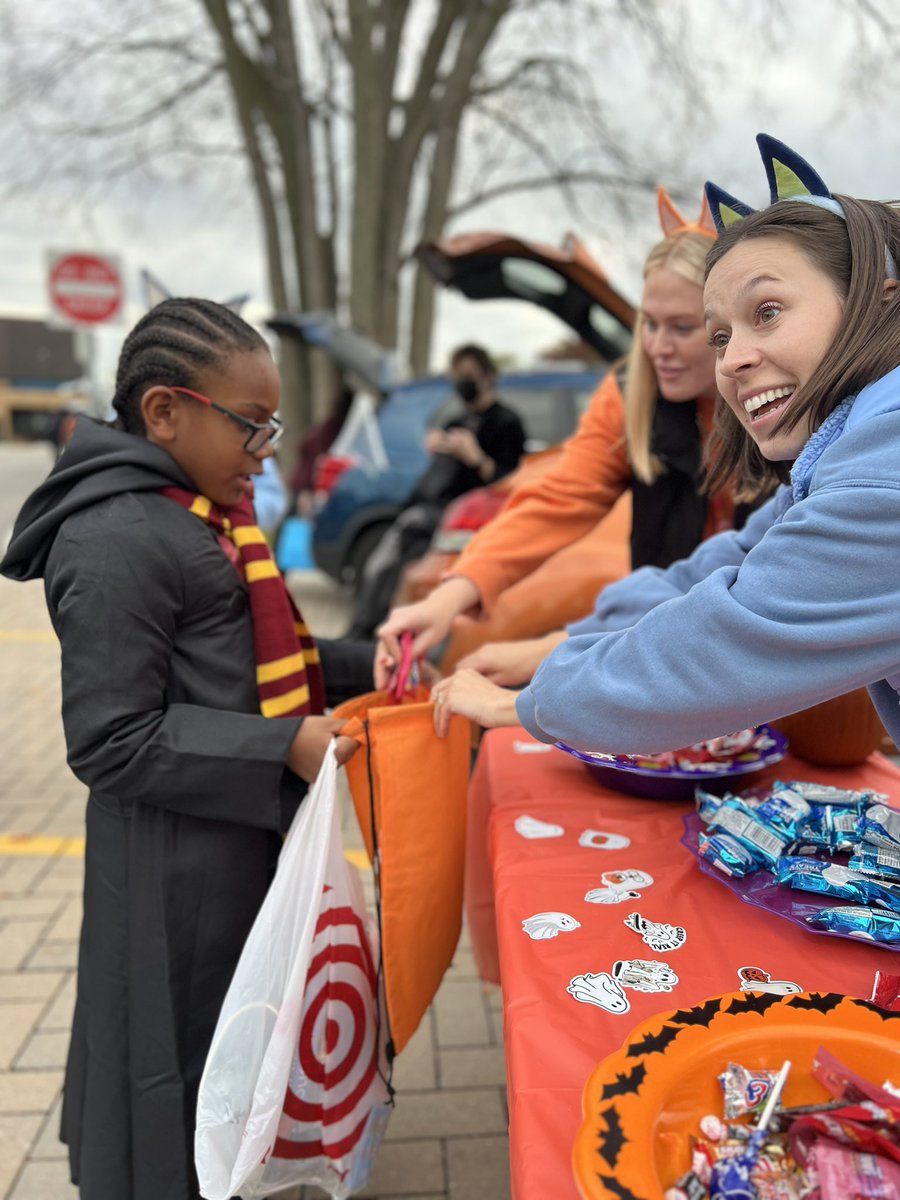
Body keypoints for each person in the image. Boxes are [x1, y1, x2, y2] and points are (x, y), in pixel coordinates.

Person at [0, 298, 357, 1200]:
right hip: (169, 872)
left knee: (227, 1052)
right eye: (251, 424)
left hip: (224, 843)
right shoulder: (117, 537)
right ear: (164, 411)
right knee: (171, 1068)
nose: (266, 449)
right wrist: (282, 745)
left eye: (272, 426)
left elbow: (253, 653)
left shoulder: (194, 512)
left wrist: (381, 662)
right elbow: (109, 739)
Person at [431, 134, 900, 754]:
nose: (731, 359)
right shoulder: (846, 447)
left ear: (877, 300)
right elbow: (724, 560)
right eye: (718, 336)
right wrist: (547, 642)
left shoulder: (880, 475)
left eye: (767, 312)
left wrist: (524, 702)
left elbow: (726, 640)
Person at [378, 188, 746, 693]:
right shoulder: (630, 396)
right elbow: (557, 499)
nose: (658, 347)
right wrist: (450, 596)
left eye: (682, 328)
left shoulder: (778, 407)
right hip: (669, 648)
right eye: (650, 324)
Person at [345, 343, 526, 639]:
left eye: (470, 375)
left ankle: (372, 630)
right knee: (387, 563)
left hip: (469, 521)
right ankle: (367, 628)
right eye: (458, 375)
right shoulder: (456, 421)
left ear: (488, 376)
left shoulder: (506, 423)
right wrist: (436, 450)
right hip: (433, 511)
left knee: (401, 556)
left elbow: (511, 480)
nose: (463, 382)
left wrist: (476, 458)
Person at [289, 380, 354, 515]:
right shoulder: (335, 429)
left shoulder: (330, 426)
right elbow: (318, 458)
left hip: (303, 483)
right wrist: (308, 489)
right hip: (306, 486)